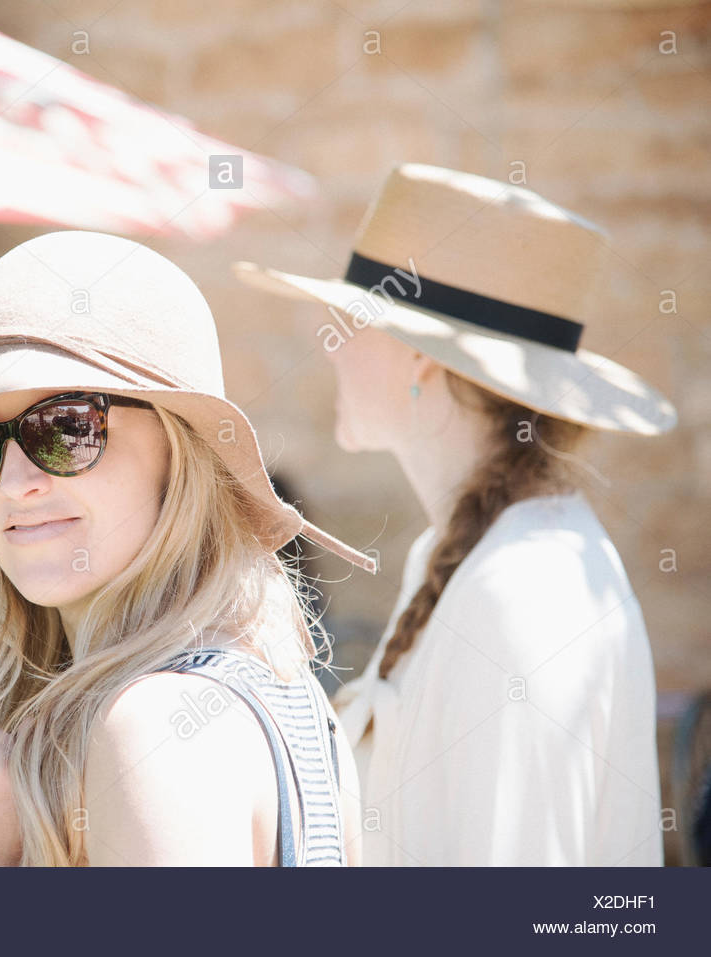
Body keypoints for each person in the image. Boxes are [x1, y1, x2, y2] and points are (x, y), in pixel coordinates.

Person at [0, 230, 378, 866]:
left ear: (180, 453)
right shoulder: (293, 704)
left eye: (67, 427)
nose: (15, 485)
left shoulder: (154, 731)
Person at [233, 163, 676, 865]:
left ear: (420, 357)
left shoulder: (526, 592)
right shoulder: (465, 555)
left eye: (350, 319)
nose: (330, 338)